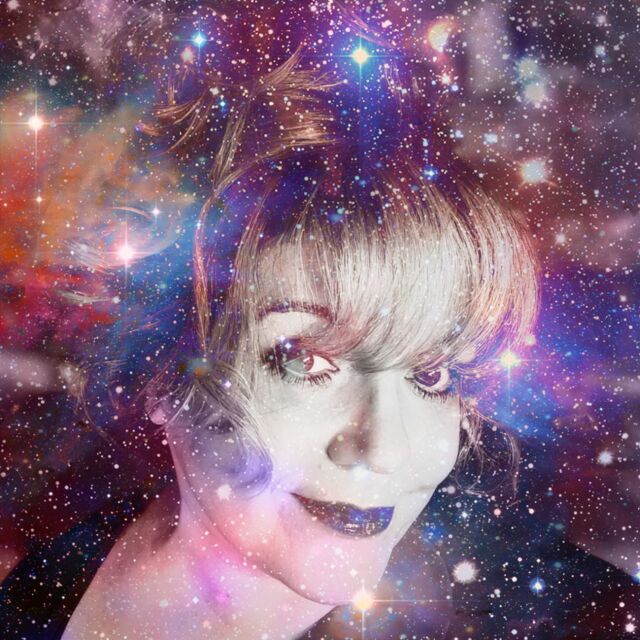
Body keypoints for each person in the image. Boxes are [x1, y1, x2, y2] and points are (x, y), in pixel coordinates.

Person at [0, 2, 637, 639]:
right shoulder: (43, 567)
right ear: (162, 371)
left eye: (432, 374)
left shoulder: (576, 619)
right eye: (305, 360)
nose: (385, 448)